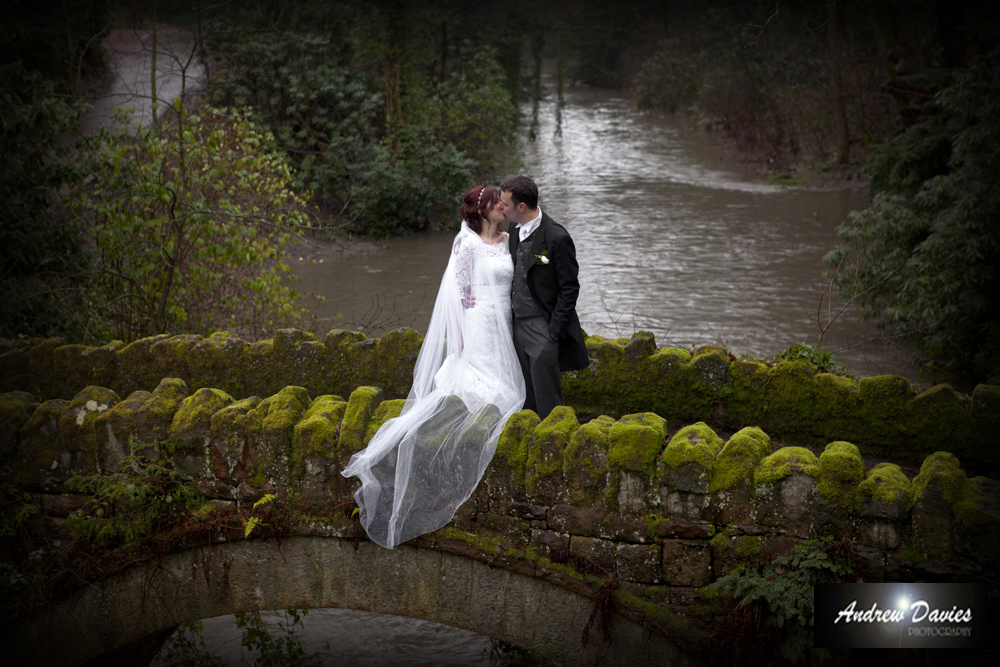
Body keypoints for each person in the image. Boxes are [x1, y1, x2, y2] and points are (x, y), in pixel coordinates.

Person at [342, 186, 524, 549]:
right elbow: (458, 292)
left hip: (507, 317)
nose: (502, 207)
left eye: (503, 204)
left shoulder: (509, 239)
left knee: (506, 377)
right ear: (482, 211)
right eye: (496, 204)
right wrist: (460, 336)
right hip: (481, 320)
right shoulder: (467, 244)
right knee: (489, 386)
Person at [500, 175, 589, 420]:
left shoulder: (556, 237)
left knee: (547, 395)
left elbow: (570, 288)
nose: (500, 208)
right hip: (517, 323)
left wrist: (553, 331)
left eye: (504, 204)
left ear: (521, 207)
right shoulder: (514, 230)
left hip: (543, 325)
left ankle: (553, 441)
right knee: (525, 392)